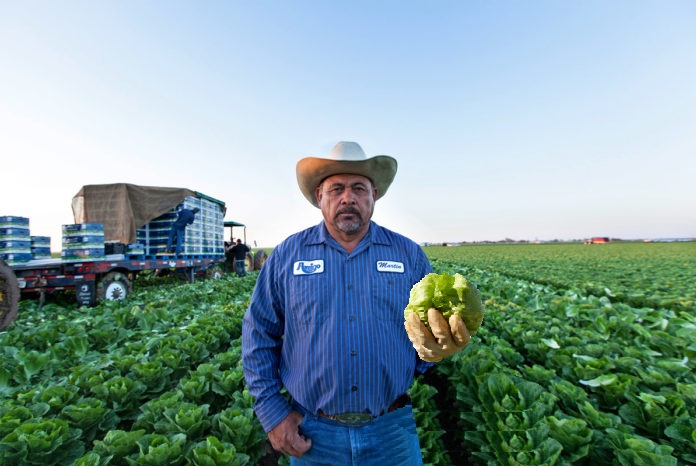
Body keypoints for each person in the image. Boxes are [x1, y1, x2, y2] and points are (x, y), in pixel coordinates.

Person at [242, 141, 471, 465]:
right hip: (313, 434)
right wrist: (271, 411)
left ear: (374, 195)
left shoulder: (407, 255)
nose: (348, 198)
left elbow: (434, 329)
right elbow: (258, 332)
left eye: (358, 188)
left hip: (391, 431)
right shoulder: (287, 256)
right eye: (336, 189)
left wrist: (416, 362)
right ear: (319, 197)